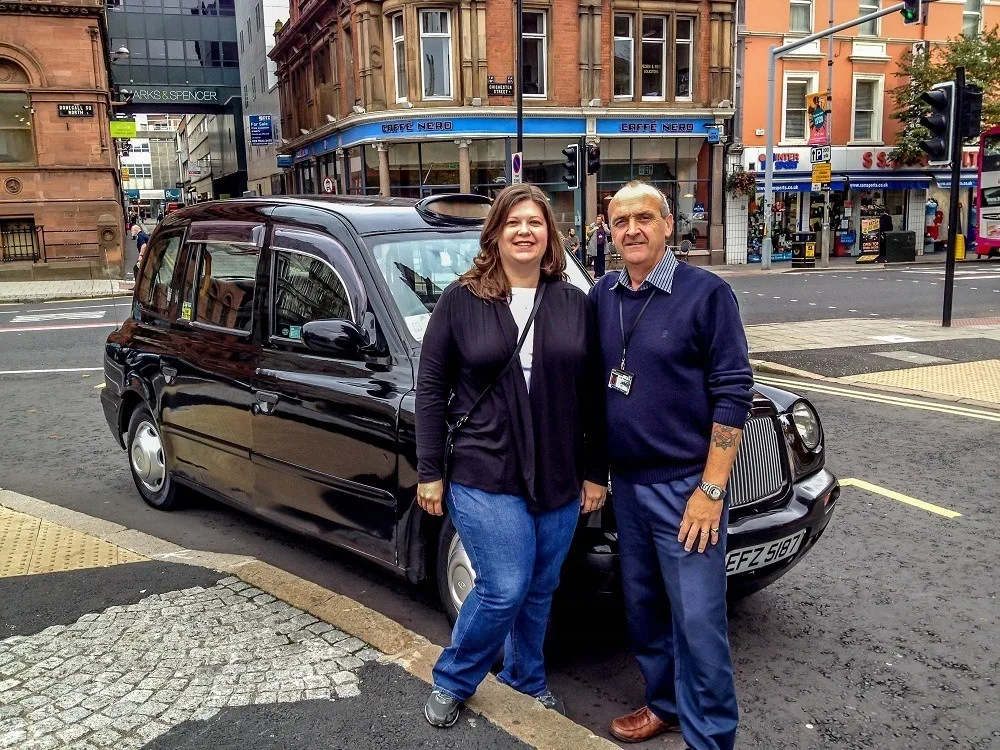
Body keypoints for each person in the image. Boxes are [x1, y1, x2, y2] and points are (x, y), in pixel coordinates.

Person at [415, 183, 607, 728]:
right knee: (504, 586)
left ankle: (527, 678)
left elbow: (592, 393)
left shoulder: (573, 301)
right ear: (495, 233)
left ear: (550, 237)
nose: (525, 231)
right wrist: (430, 472)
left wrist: (596, 471)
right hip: (484, 465)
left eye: (536, 223)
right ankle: (454, 677)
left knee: (542, 586)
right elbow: (431, 388)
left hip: (559, 469)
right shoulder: (461, 299)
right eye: (514, 222)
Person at [588, 181, 753, 750]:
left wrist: (711, 489)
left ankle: (710, 737)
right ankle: (664, 704)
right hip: (628, 487)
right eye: (620, 220)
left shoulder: (707, 295)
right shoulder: (602, 296)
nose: (631, 229)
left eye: (644, 218)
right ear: (608, 230)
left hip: (688, 487)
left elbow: (733, 393)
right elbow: (592, 390)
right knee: (645, 610)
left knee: (700, 622)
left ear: (667, 225)